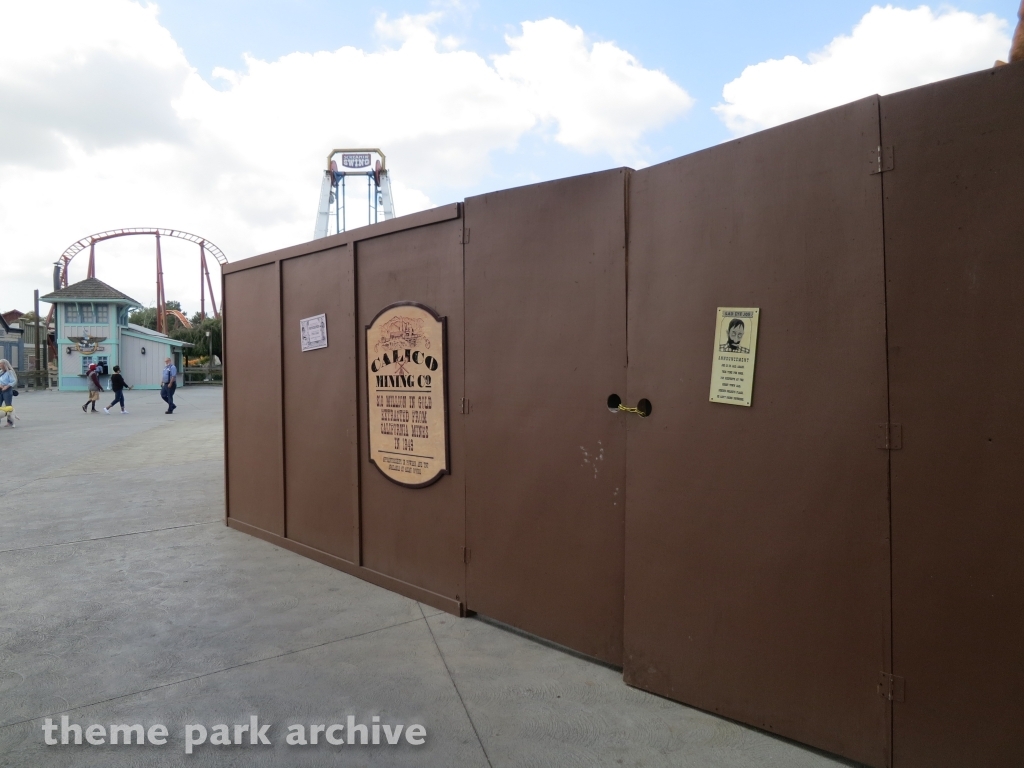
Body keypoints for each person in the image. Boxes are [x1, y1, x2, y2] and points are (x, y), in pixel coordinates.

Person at [0, 359, 16, 428]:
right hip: (0, 389)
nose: (0, 365)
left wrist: (7, 386)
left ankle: (10, 422)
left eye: (1, 364)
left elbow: (13, 381)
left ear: (4, 365)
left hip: (7, 390)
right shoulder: (1, 372)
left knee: (8, 405)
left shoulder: (10, 372)